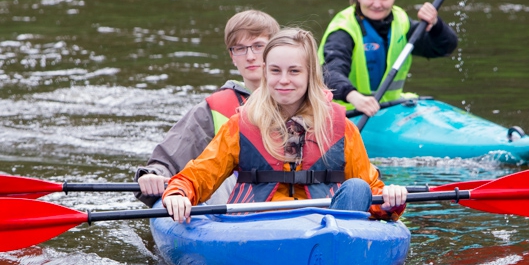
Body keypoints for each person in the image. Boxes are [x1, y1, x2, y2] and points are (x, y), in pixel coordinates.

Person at [161, 28, 408, 223]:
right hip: (256, 228)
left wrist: (390, 200)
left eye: (294, 71)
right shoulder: (241, 125)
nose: (283, 80)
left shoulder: (340, 127)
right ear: (265, 73)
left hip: (327, 228)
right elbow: (200, 175)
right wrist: (178, 193)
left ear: (310, 74)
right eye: (276, 71)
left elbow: (373, 191)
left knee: (358, 188)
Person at [135, 10, 280, 207]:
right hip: (234, 206)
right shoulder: (213, 109)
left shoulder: (301, 102)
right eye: (240, 49)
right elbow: (172, 155)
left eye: (258, 46)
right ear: (232, 56)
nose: (250, 56)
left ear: (274, 51)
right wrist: (154, 175)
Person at [319, 0, 458, 116]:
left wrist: (436, 24)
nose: (377, 4)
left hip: (389, 109)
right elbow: (330, 73)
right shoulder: (344, 29)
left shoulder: (401, 22)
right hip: (346, 112)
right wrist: (353, 96)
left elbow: (444, 47)